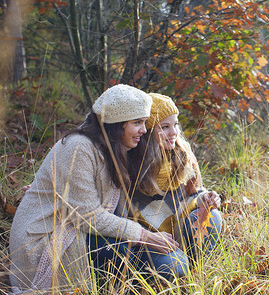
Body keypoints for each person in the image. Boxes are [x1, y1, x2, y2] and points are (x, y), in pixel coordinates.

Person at [8, 84, 169, 293]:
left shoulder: (115, 150)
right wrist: (144, 236)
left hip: (82, 232)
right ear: (116, 124)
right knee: (169, 264)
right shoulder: (78, 147)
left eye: (144, 122)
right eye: (137, 122)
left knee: (174, 262)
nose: (144, 130)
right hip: (47, 241)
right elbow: (87, 216)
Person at [93, 93, 222, 281]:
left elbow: (192, 194)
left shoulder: (181, 155)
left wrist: (204, 197)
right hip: (141, 238)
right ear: (148, 130)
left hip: (176, 231)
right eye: (165, 127)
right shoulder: (126, 161)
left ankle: (193, 271)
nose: (174, 133)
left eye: (175, 125)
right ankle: (169, 269)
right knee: (173, 266)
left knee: (212, 217)